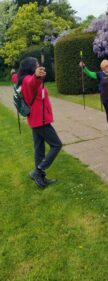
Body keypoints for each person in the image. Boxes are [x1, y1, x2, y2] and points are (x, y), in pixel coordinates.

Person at [15, 57, 62, 189]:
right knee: (57, 145)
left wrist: (37, 77)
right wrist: (36, 76)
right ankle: (38, 171)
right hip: (40, 120)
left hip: (36, 120)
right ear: (31, 67)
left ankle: (41, 178)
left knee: (39, 149)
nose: (38, 66)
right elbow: (32, 83)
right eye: (36, 65)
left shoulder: (25, 79)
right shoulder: (27, 80)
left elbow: (33, 83)